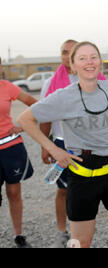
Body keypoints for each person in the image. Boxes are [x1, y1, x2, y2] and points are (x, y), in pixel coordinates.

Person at [17, 42, 108, 248]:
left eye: (93, 57)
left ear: (100, 61)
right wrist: (54, 149)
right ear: (72, 66)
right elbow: (24, 119)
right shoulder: (64, 96)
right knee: (81, 242)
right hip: (82, 175)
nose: (89, 62)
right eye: (82, 58)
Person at [39, 39, 107, 248]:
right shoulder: (51, 83)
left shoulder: (99, 80)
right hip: (63, 145)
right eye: (63, 51)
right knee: (63, 191)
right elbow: (44, 117)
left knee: (97, 189)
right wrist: (45, 146)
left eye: (71, 51)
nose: (66, 55)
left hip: (93, 146)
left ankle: (94, 230)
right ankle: (62, 231)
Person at [0, 56, 37, 248]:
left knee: (14, 192)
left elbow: (35, 104)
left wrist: (22, 126)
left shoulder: (7, 87)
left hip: (11, 148)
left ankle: (18, 235)